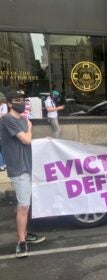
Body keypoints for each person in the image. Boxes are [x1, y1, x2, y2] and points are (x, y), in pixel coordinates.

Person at [0, 90, 45, 258]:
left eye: (23, 100)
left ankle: (26, 233)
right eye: (18, 100)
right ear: (10, 103)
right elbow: (26, 139)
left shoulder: (22, 119)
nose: (22, 103)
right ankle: (21, 241)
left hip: (28, 165)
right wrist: (30, 128)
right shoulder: (7, 120)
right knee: (24, 205)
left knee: (26, 202)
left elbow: (28, 142)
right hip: (18, 168)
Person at [0, 94, 8, 171]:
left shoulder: (4, 106)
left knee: (2, 147)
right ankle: (4, 164)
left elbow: (3, 116)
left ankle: (2, 165)